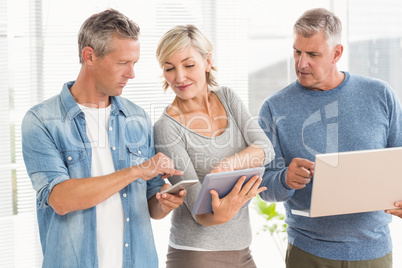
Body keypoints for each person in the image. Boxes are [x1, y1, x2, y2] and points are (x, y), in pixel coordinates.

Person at [21, 9, 186, 268]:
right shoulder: (42, 121)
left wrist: (165, 202)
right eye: (122, 63)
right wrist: (136, 171)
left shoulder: (137, 118)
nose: (131, 74)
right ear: (89, 56)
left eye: (134, 63)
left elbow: (151, 204)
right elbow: (61, 200)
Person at [258, 7, 402, 267]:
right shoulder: (274, 107)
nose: (301, 63)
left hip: (374, 252)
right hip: (307, 252)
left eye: (312, 54)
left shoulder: (380, 95)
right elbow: (264, 187)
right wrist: (284, 179)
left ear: (337, 53)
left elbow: (399, 166)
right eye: (297, 52)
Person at [154, 24, 275, 268]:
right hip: (196, 255)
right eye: (169, 68)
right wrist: (225, 209)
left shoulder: (228, 98)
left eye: (188, 65)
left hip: (242, 250)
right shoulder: (167, 128)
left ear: (208, 61)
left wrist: (226, 166)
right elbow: (201, 212)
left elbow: (266, 149)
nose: (179, 77)